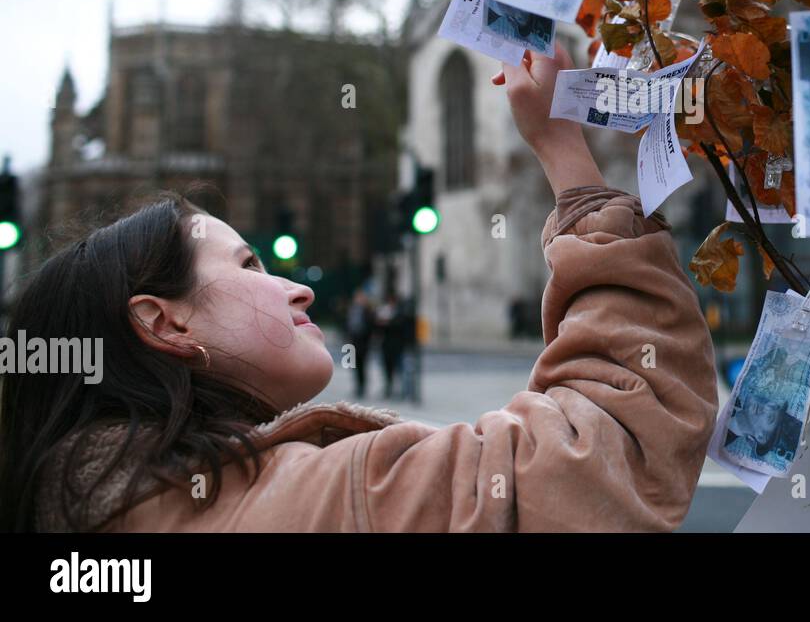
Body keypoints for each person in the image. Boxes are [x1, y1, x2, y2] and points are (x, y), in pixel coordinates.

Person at [0, 44, 718, 532]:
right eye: (249, 265)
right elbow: (607, 455)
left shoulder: (106, 498)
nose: (301, 290)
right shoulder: (296, 506)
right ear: (164, 323)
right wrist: (569, 160)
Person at [345, 288, 375, 400]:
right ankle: (357, 386)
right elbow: (348, 325)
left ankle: (363, 387)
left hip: (364, 342)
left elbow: (371, 326)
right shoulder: (352, 310)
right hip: (353, 342)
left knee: (363, 365)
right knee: (354, 365)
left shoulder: (368, 311)